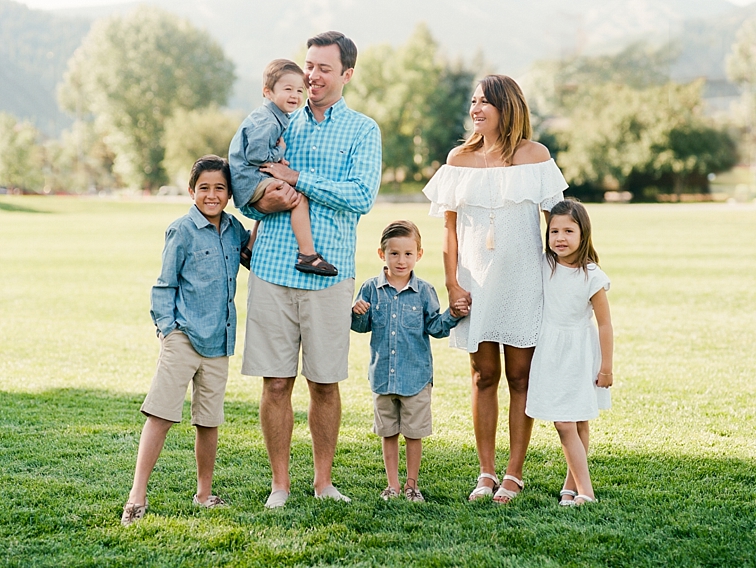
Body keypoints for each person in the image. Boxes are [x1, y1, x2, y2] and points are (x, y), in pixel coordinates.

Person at [236, 31, 382, 509]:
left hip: (329, 274)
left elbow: (359, 197)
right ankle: (280, 485)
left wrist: (299, 178)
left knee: (324, 382)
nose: (312, 77)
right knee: (276, 382)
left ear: (346, 74)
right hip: (274, 270)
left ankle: (323, 482)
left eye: (323, 68)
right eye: (309, 66)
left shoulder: (363, 130)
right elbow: (248, 194)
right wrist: (263, 196)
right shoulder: (278, 122)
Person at [422, 75, 568, 503]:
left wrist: (568, 276)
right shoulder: (458, 160)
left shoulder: (535, 156)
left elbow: (558, 223)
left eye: (485, 102)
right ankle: (485, 473)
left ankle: (513, 473)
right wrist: (452, 284)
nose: (476, 109)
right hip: (474, 285)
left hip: (525, 282)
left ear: (508, 107)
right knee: (483, 376)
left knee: (521, 377)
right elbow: (449, 232)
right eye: (473, 101)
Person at [121, 155, 251, 526]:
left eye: (220, 188)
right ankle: (137, 495)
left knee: (208, 421)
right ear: (192, 191)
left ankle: (204, 493)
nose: (212, 195)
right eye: (204, 188)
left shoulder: (234, 230)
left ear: (229, 194)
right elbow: (164, 285)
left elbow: (254, 256)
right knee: (161, 414)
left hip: (219, 341)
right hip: (183, 337)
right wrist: (167, 330)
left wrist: (265, 213)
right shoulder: (181, 230)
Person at [351, 221, 469, 502]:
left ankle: (411, 484)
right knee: (388, 432)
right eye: (394, 254)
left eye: (407, 254)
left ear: (419, 254)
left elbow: (436, 328)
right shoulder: (370, 289)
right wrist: (356, 312)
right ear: (382, 254)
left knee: (413, 434)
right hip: (383, 376)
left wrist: (453, 314)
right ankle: (392, 484)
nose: (401, 260)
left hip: (416, 377)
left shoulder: (424, 291)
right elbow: (361, 327)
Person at [525, 199, 613, 506]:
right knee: (572, 422)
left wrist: (606, 367)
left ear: (583, 233)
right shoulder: (547, 266)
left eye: (568, 231)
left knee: (569, 422)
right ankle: (570, 486)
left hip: (579, 351)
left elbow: (604, 325)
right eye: (554, 231)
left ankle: (585, 492)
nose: (560, 238)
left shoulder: (592, 276)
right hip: (550, 350)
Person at [229, 58, 337, 277]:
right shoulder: (268, 121)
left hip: (247, 176)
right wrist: (278, 153)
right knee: (298, 197)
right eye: (288, 89)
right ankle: (307, 254)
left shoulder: (272, 116)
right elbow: (256, 155)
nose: (295, 96)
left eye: (300, 90)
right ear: (268, 92)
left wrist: (276, 161)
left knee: (279, 193)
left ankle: (249, 248)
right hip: (248, 179)